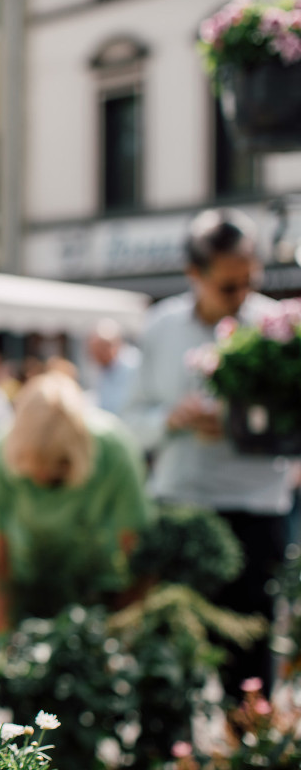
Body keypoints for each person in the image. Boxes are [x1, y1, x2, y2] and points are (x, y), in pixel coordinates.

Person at [124, 208, 291, 698]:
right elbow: (131, 424)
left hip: (256, 510)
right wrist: (170, 421)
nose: (241, 296)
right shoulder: (160, 328)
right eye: (228, 286)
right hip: (182, 505)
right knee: (171, 660)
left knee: (251, 665)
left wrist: (243, 429)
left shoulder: (274, 326)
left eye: (249, 281)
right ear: (193, 275)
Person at [0, 372, 150, 631]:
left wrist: (127, 631)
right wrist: (4, 646)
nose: (45, 477)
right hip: (28, 590)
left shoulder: (115, 447)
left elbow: (137, 551)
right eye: (36, 470)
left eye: (60, 468)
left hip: (102, 590)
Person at [84, 318, 141, 415]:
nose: (94, 357)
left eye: (96, 352)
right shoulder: (106, 367)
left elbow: (124, 406)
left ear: (110, 346)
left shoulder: (133, 365)